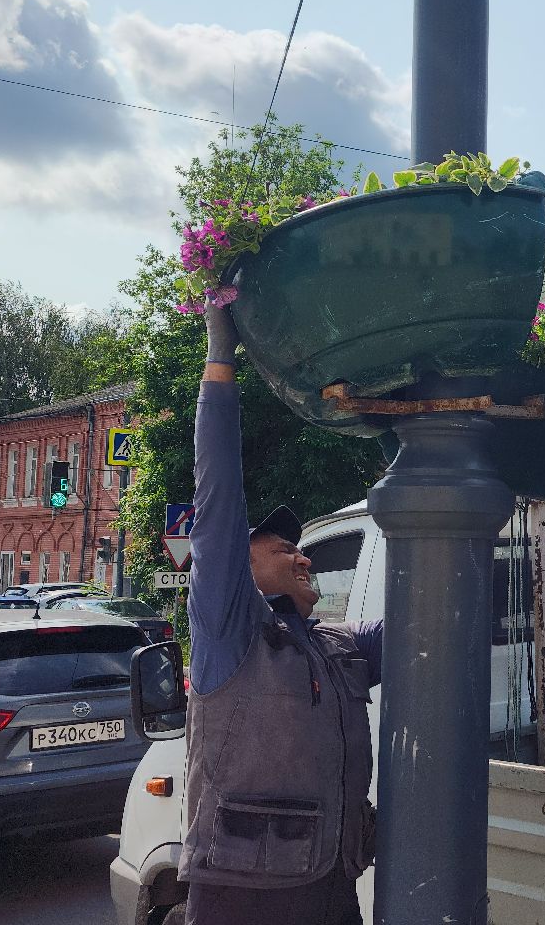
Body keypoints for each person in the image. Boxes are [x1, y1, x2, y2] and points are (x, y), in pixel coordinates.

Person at [179, 304, 383, 925]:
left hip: (331, 887)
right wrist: (221, 355)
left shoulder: (337, 646)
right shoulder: (230, 635)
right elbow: (217, 498)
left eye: (299, 546)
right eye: (279, 546)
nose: (301, 555)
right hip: (243, 893)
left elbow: (421, 613)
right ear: (237, 568)